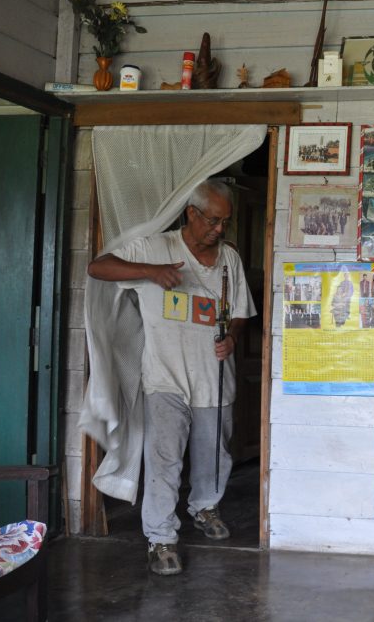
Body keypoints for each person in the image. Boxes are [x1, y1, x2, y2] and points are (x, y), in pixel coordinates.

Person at [86, 178, 255, 576]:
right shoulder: (153, 247)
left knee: (215, 453)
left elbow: (243, 310)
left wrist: (232, 337)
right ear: (191, 213)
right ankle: (161, 538)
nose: (218, 230)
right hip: (164, 378)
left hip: (214, 376)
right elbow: (98, 267)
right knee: (163, 459)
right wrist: (150, 272)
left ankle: (205, 507)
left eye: (224, 222)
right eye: (212, 220)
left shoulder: (229, 259)